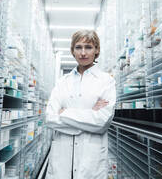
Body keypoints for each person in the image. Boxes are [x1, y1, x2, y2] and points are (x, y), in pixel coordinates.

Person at [45, 30, 116, 179]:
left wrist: (64, 113)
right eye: (78, 47)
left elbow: (101, 122)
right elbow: (50, 118)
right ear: (72, 50)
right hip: (61, 160)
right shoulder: (62, 81)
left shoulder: (106, 81)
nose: (83, 53)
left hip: (90, 160)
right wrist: (89, 114)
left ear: (96, 50)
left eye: (88, 47)